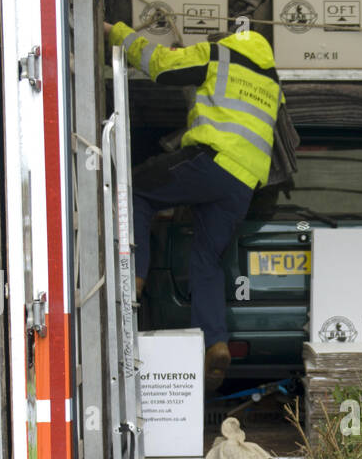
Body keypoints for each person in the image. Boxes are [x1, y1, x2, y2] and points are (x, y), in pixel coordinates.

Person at [104, 20, 283, 393]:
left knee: (135, 192)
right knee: (206, 259)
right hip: (244, 182)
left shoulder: (217, 55)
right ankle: (215, 343)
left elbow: (161, 66)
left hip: (213, 162)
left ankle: (132, 283)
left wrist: (117, 32)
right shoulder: (271, 81)